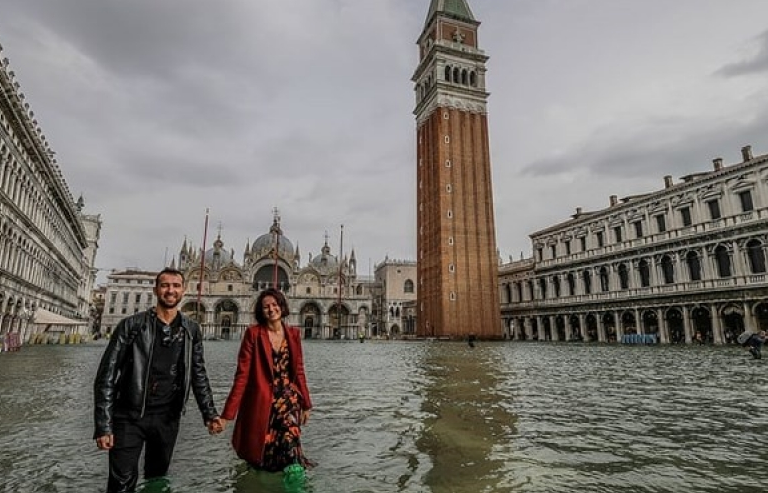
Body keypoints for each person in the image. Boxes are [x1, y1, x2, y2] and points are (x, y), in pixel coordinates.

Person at [93, 268, 223, 493]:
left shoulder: (191, 330)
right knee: (121, 483)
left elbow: (198, 375)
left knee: (157, 479)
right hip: (129, 416)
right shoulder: (131, 325)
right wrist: (104, 425)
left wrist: (210, 413)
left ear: (184, 290)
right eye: (165, 285)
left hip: (167, 418)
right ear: (156, 290)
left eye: (176, 286)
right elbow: (106, 375)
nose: (170, 290)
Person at [220, 287, 314, 477]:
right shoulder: (253, 334)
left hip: (289, 400)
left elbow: (299, 371)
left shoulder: (294, 335)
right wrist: (227, 414)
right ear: (260, 311)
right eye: (265, 307)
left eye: (274, 305)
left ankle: (295, 486)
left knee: (290, 448)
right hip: (264, 400)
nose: (271, 309)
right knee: (264, 454)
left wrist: (306, 404)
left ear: (282, 306)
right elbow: (242, 375)